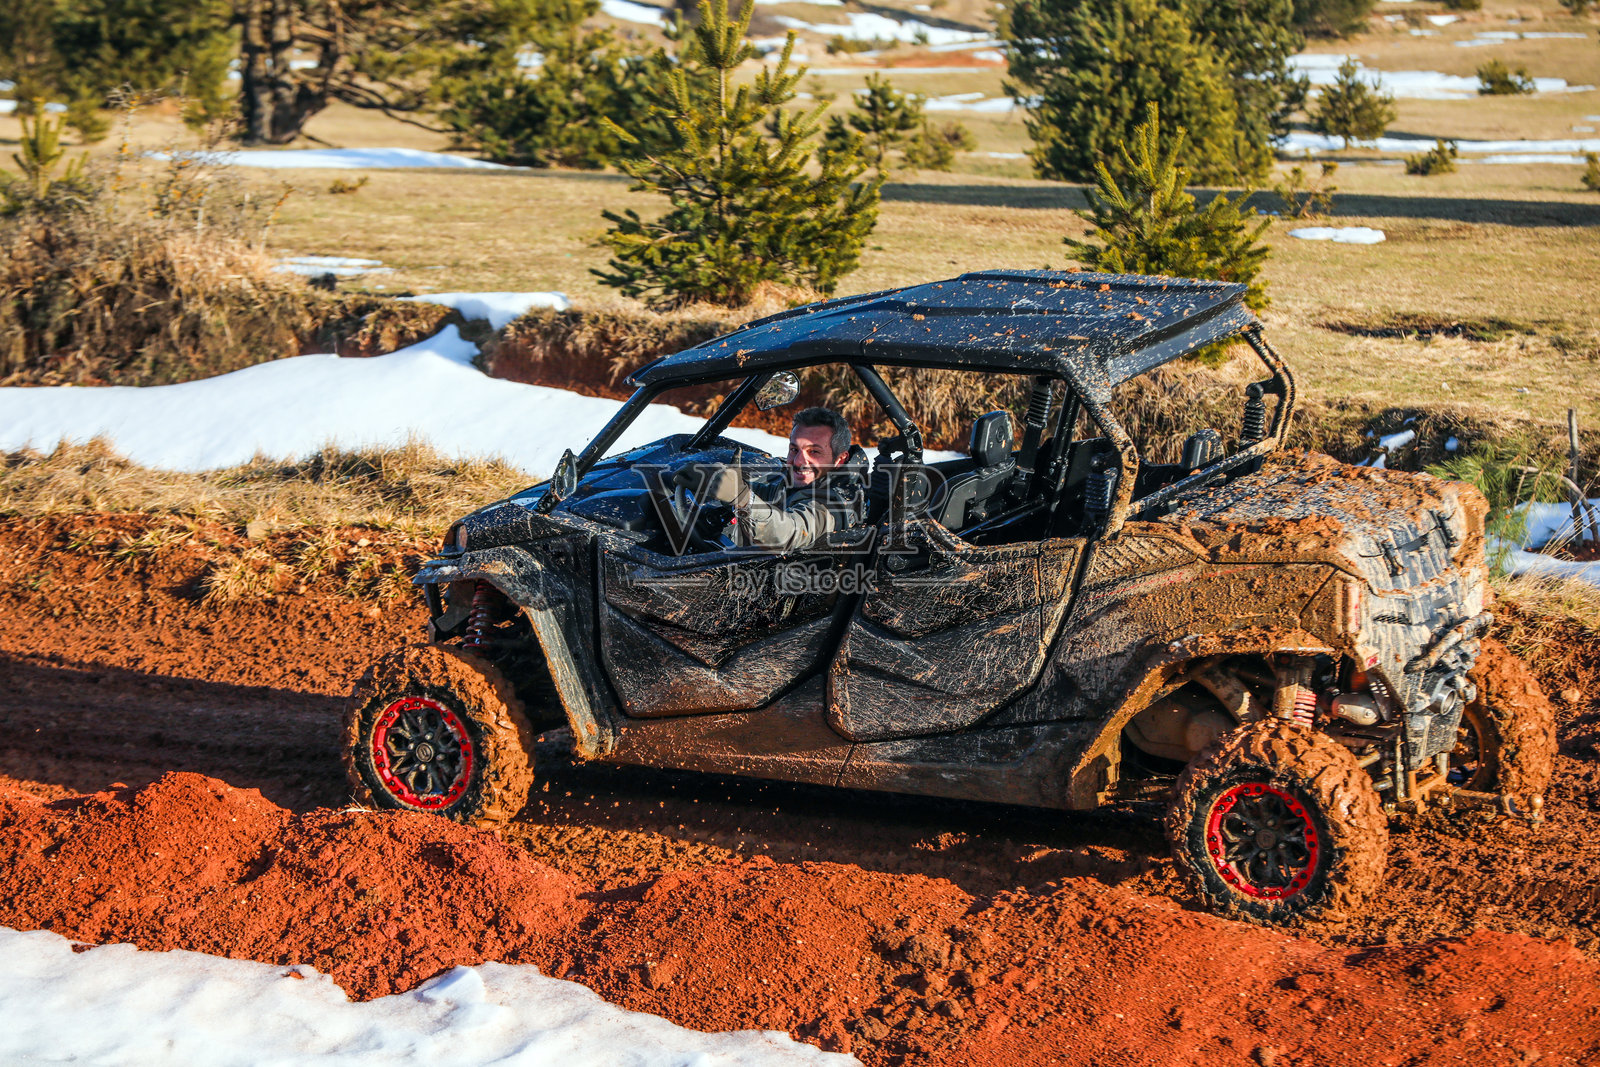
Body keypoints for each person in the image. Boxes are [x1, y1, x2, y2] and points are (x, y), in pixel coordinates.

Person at [703, 406, 863, 553]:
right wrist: (714, 483)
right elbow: (773, 494)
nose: (798, 461)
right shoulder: (806, 482)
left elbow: (789, 532)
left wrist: (742, 497)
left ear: (840, 459)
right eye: (794, 449)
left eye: (814, 452)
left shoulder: (833, 504)